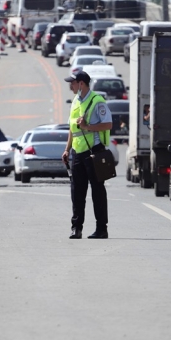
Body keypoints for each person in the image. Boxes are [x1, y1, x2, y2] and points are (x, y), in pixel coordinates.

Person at [61, 71, 113, 239]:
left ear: (81, 84)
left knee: (97, 191)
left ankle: (101, 229)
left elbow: (108, 124)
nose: (70, 86)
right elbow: (72, 128)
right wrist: (67, 149)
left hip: (93, 152)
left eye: (73, 83)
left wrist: (88, 127)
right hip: (77, 153)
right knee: (77, 192)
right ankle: (76, 228)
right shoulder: (75, 101)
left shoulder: (97, 101)